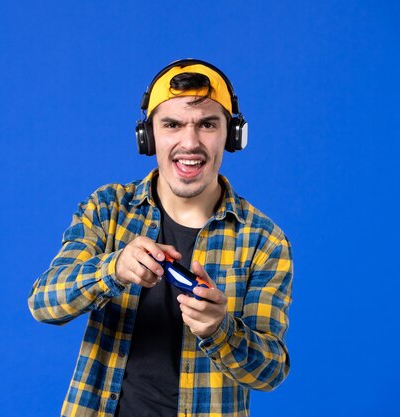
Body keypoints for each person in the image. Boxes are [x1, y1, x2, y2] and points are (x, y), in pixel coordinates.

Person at [28, 58, 293, 417]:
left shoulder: (265, 240)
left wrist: (220, 329)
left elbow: (271, 371)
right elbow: (44, 303)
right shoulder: (109, 209)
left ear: (232, 136)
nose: (190, 142)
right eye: (172, 124)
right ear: (148, 136)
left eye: (207, 124)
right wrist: (114, 269)